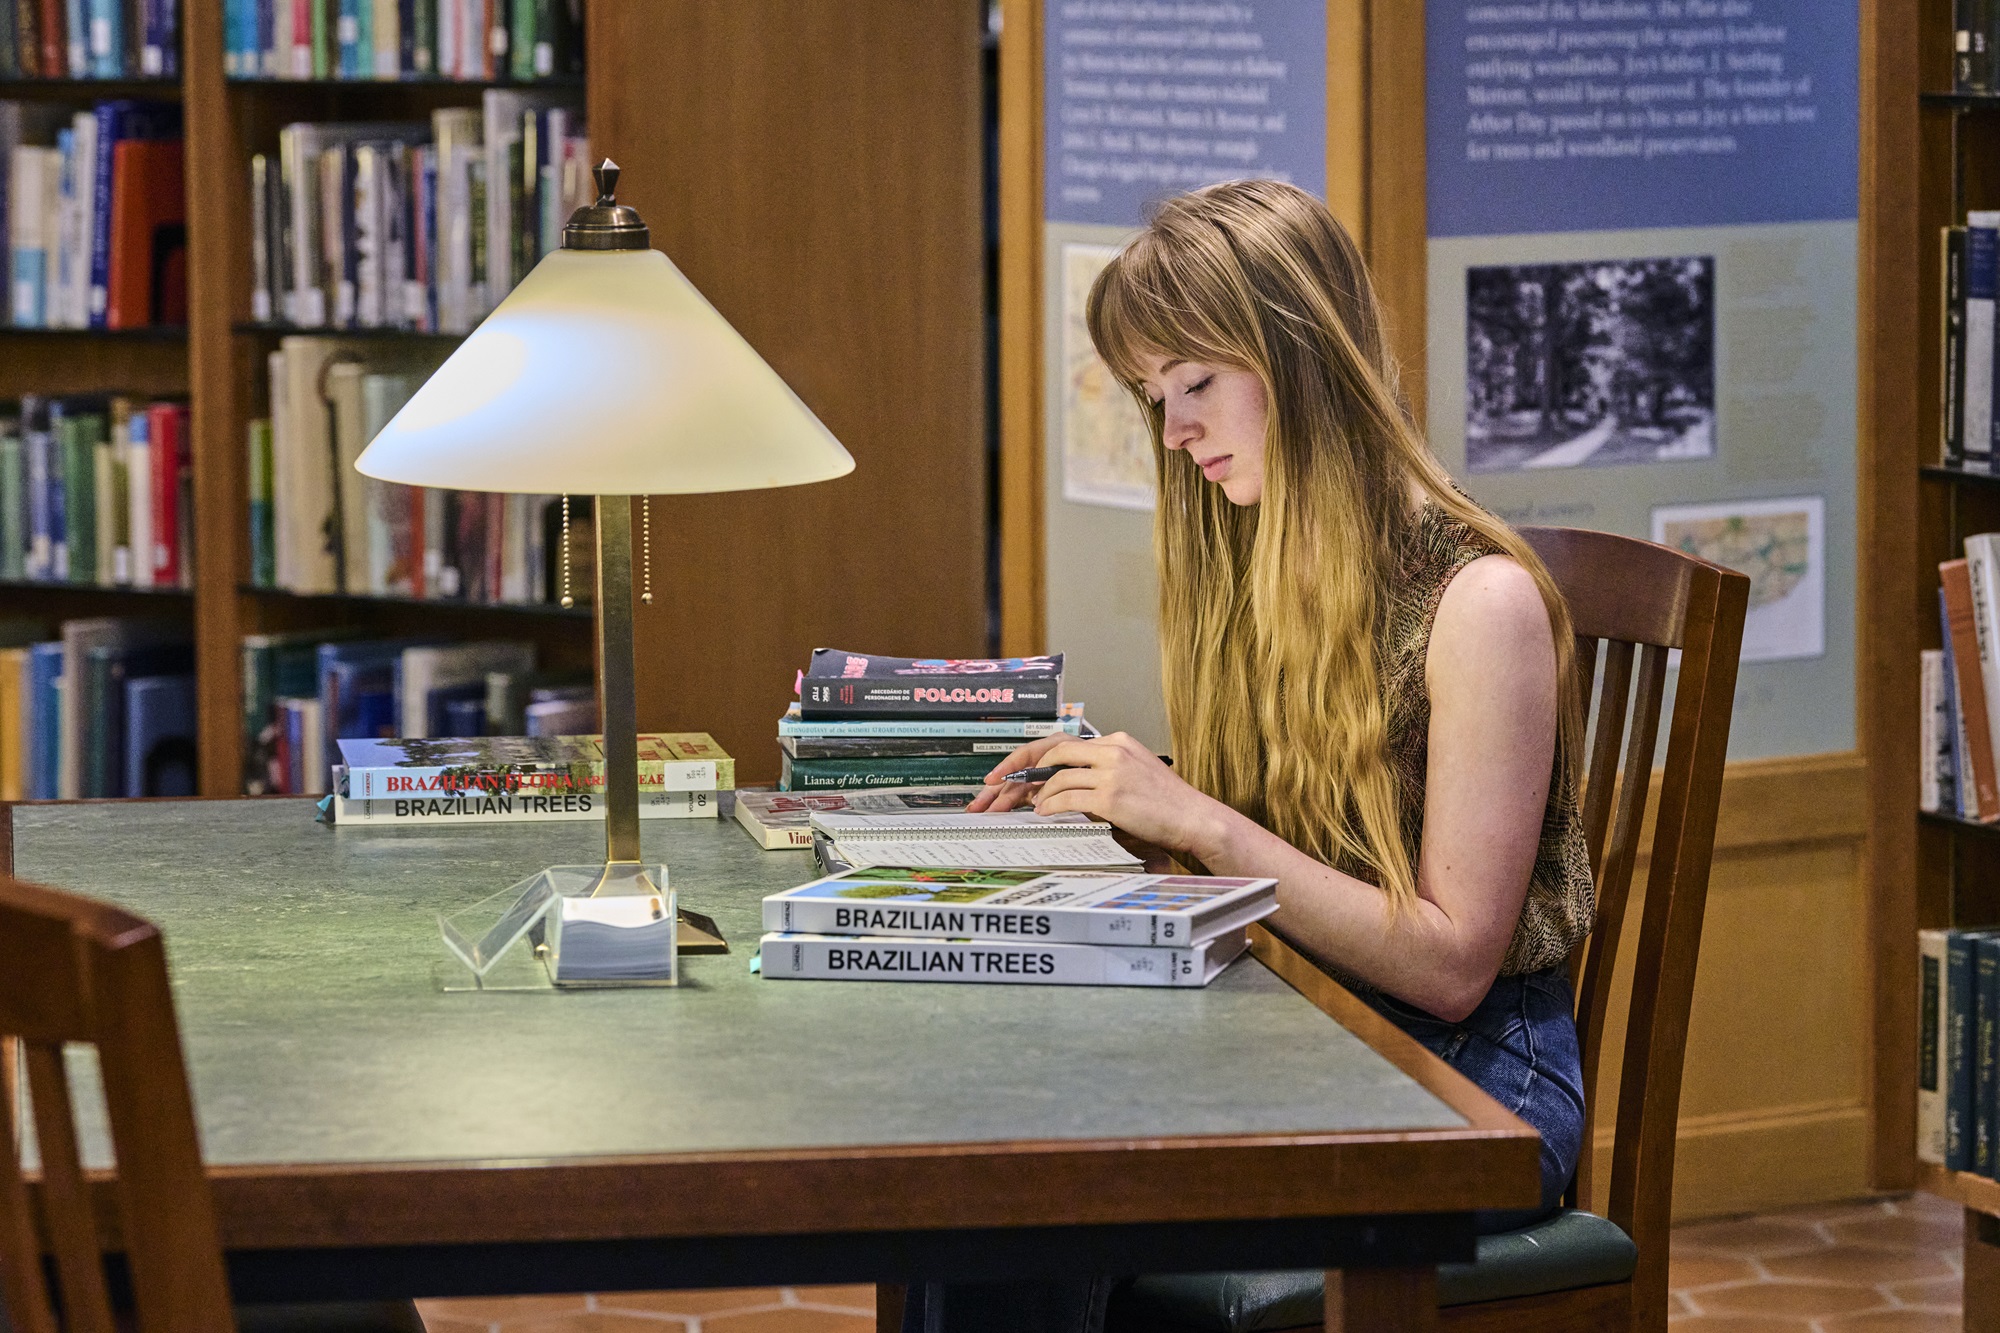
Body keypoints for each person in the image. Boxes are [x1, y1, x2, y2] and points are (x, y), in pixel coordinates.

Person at [900, 178, 1593, 1333]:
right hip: (1303, 1018)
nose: (1174, 433)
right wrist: (1115, 805)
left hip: (1474, 1078)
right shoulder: (1259, 555)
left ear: (1298, 353)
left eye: (1195, 385)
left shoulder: (1480, 602)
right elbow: (1284, 845)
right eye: (1153, 398)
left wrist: (1196, 819)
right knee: (989, 1129)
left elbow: (1450, 968)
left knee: (1031, 1182)